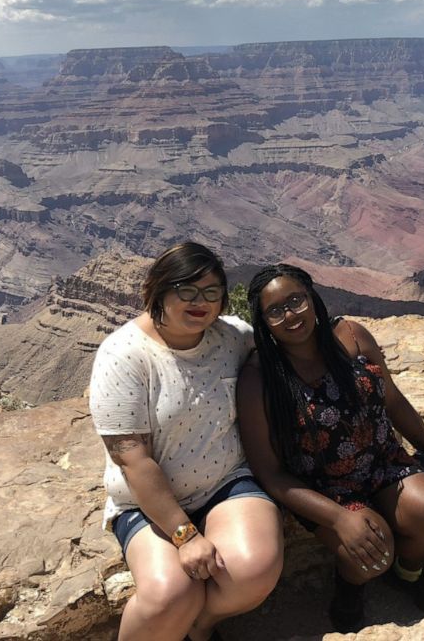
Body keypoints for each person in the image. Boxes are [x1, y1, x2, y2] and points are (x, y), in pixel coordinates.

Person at [237, 263, 424, 633]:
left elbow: (393, 402)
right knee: (374, 551)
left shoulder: (352, 336)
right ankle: (349, 587)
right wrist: (339, 518)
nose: (290, 315)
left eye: (296, 300)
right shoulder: (260, 377)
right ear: (262, 321)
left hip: (382, 462)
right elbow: (269, 472)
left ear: (312, 298)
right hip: (324, 488)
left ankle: (410, 574)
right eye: (275, 310)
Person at [89, 242, 283, 641]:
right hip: (147, 503)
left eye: (212, 292)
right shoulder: (123, 354)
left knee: (254, 569)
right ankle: (179, 617)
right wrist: (185, 535)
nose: (201, 303)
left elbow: (290, 354)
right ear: (159, 290)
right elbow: (131, 459)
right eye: (186, 291)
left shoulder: (234, 337)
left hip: (224, 481)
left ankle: (201, 624)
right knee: (170, 596)